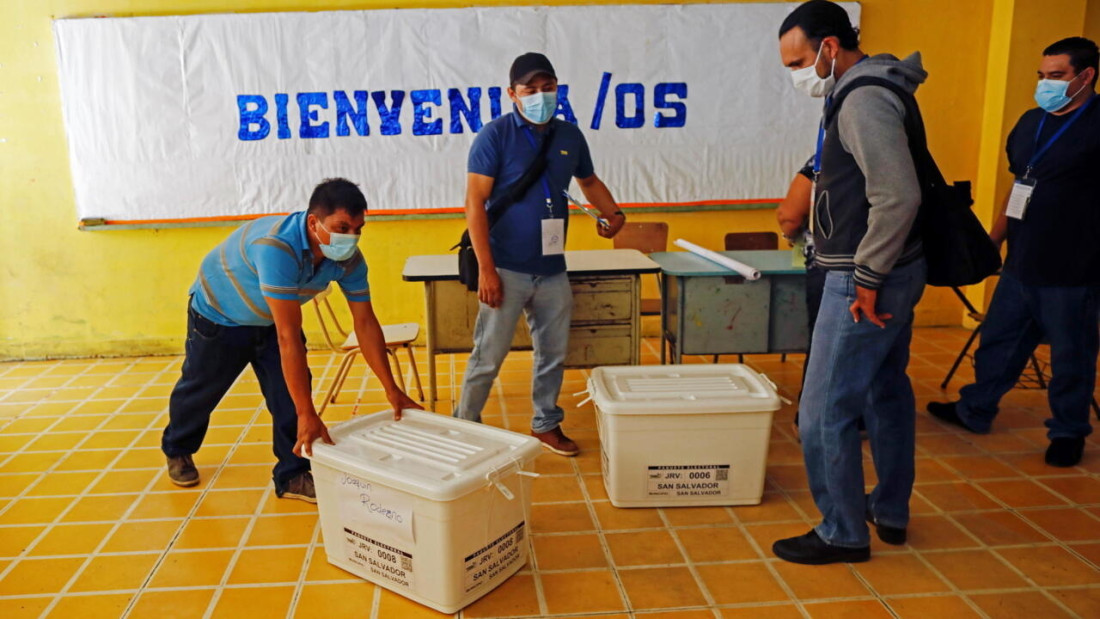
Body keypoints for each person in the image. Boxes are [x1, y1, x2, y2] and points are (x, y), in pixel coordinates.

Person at [771, 0, 927, 565]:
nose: (796, 75)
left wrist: (867, 277)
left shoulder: (862, 98)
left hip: (864, 277)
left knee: (823, 411)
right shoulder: (870, 88)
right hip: (890, 269)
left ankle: (841, 531)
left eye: (798, 63)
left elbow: (898, 196)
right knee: (885, 391)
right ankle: (888, 509)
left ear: (830, 47)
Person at [161, 178, 421, 502]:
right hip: (220, 316)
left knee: (290, 397)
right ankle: (178, 448)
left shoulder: (349, 259)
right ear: (314, 223)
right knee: (201, 390)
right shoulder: (276, 248)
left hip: (271, 320)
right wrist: (307, 413)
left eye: (358, 229)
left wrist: (391, 389)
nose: (351, 238)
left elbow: (365, 323)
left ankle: (292, 473)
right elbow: (288, 336)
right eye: (342, 228)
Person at [928, 37, 1100, 468]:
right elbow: (1020, 183)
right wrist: (994, 238)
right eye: (1042, 76)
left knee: (1071, 355)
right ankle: (974, 409)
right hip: (1022, 260)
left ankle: (1068, 432)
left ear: (1086, 76)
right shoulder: (1030, 122)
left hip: (1074, 267)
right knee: (999, 341)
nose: (1045, 84)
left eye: (1056, 76)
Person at [454, 52, 625, 456]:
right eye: (530, 90)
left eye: (547, 88)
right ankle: (465, 426)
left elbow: (589, 181)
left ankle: (546, 423)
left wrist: (614, 214)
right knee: (488, 355)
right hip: (505, 268)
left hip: (551, 268)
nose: (540, 96)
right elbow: (474, 203)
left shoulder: (569, 136)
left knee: (553, 353)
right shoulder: (494, 136)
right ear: (512, 94)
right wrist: (487, 270)